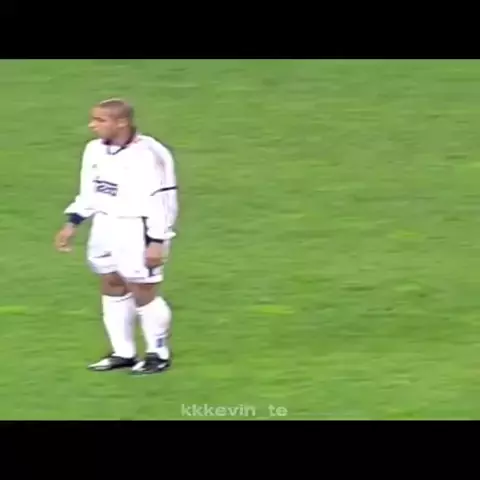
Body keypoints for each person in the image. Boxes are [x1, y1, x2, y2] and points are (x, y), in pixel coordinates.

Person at [54, 98, 178, 375]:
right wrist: (73, 223)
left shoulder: (151, 154)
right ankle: (123, 352)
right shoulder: (94, 149)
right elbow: (90, 191)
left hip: (138, 227)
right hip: (104, 224)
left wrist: (157, 240)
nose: (92, 125)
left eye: (100, 120)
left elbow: (164, 200)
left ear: (121, 122)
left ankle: (158, 353)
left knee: (143, 289)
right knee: (111, 282)